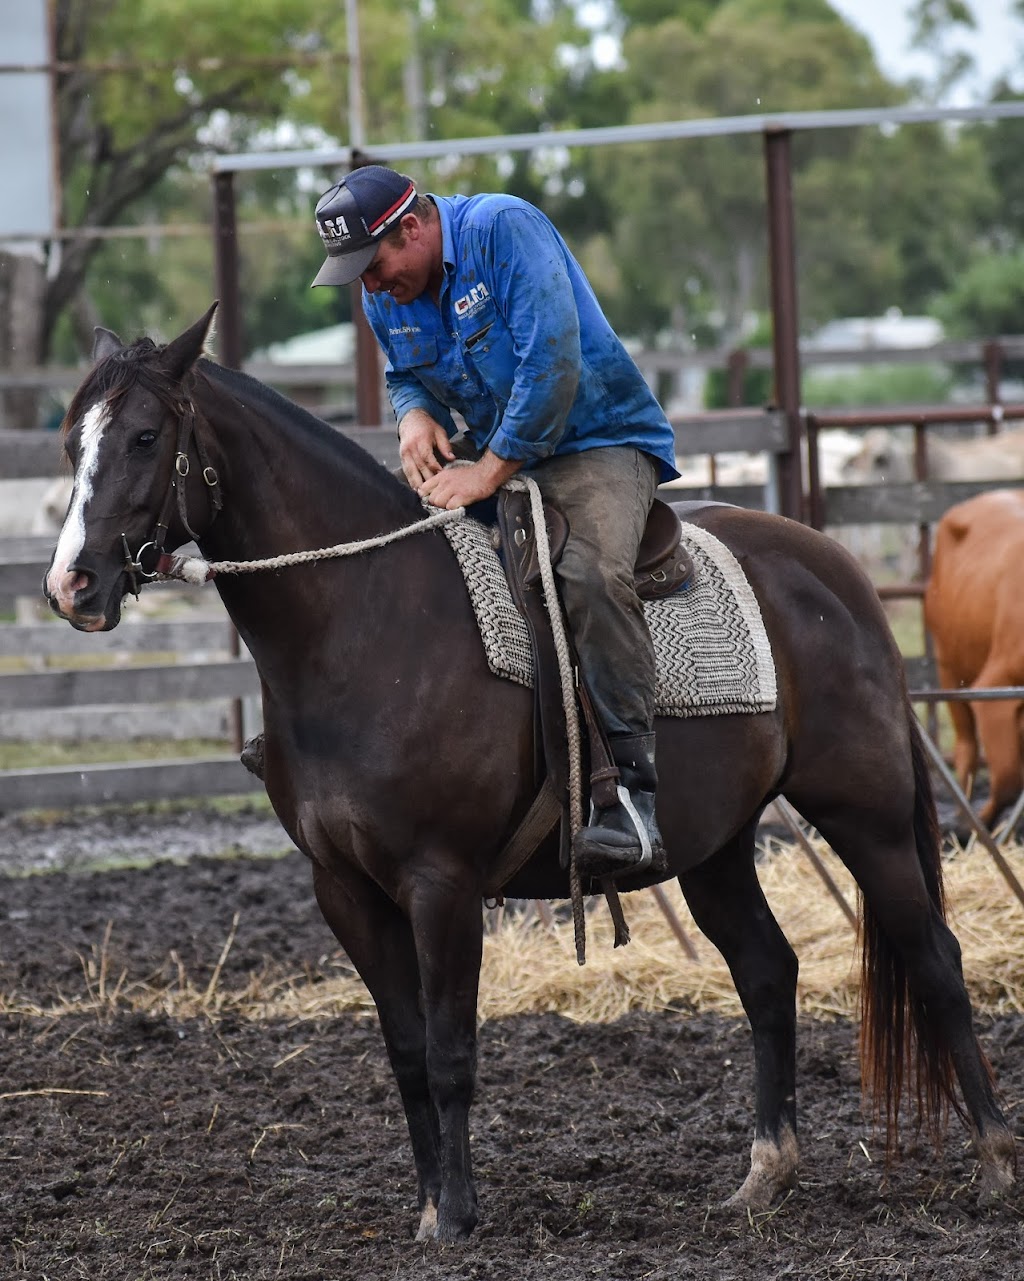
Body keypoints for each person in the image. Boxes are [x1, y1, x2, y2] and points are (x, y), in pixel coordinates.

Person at [310, 164, 680, 881]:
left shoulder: (502, 229)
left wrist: (486, 471)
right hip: (496, 452)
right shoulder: (384, 292)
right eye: (357, 275)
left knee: (592, 575)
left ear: (411, 228)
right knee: (381, 549)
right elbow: (403, 370)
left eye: (375, 265)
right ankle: (338, 744)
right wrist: (413, 412)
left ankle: (632, 797)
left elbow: (551, 362)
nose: (372, 285)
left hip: (594, 440)